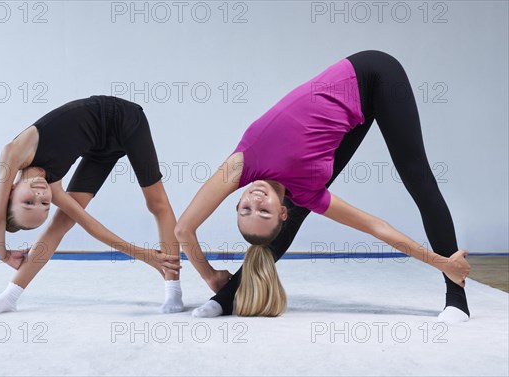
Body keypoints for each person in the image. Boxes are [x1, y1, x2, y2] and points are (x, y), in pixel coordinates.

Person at [175, 50, 471, 324]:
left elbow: (183, 229)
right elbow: (376, 227)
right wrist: (441, 262)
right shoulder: (308, 193)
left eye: (245, 208)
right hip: (347, 121)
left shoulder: (241, 164)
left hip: (374, 74)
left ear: (236, 202)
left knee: (418, 178)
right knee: (300, 210)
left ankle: (457, 297)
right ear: (281, 212)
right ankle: (229, 296)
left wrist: (211, 276)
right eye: (262, 211)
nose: (255, 198)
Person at [0, 95, 183, 315]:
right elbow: (90, 225)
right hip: (100, 148)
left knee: (156, 203)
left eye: (29, 202)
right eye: (45, 204)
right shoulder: (53, 187)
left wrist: (3, 254)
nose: (40, 195)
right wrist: (143, 254)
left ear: (10, 190)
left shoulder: (14, 153)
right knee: (61, 222)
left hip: (123, 117)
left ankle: (174, 291)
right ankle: (10, 295)